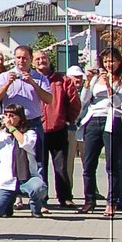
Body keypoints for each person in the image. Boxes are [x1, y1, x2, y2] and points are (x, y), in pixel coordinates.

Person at [80, 47, 122, 216]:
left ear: (119, 62)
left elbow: (120, 103)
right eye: (105, 61)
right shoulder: (97, 78)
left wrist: (110, 87)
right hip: (93, 120)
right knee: (88, 164)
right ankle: (89, 200)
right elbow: (84, 100)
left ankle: (112, 202)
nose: (109, 64)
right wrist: (88, 83)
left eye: (112, 61)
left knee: (112, 165)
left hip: (112, 121)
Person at [0, 44, 52, 172]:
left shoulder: (40, 78)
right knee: (11, 160)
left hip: (32, 123)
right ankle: (14, 190)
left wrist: (33, 83)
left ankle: (38, 190)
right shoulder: (4, 76)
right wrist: (7, 84)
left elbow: (49, 99)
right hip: (12, 124)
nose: (21, 61)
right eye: (18, 58)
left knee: (37, 161)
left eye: (24, 58)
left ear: (30, 59)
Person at [0, 103, 44, 218]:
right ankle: (7, 204)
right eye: (6, 115)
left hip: (26, 179)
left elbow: (26, 143)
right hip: (5, 182)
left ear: (20, 118)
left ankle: (35, 208)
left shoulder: (30, 133)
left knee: (39, 188)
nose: (9, 118)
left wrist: (12, 128)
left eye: (12, 116)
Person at [33, 50, 80, 206]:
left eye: (44, 58)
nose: (41, 61)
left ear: (49, 59)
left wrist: (67, 120)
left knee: (61, 166)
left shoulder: (63, 80)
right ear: (33, 62)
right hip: (38, 129)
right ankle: (42, 198)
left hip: (58, 128)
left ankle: (65, 197)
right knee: (40, 166)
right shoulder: (30, 80)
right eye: (38, 59)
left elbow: (74, 103)